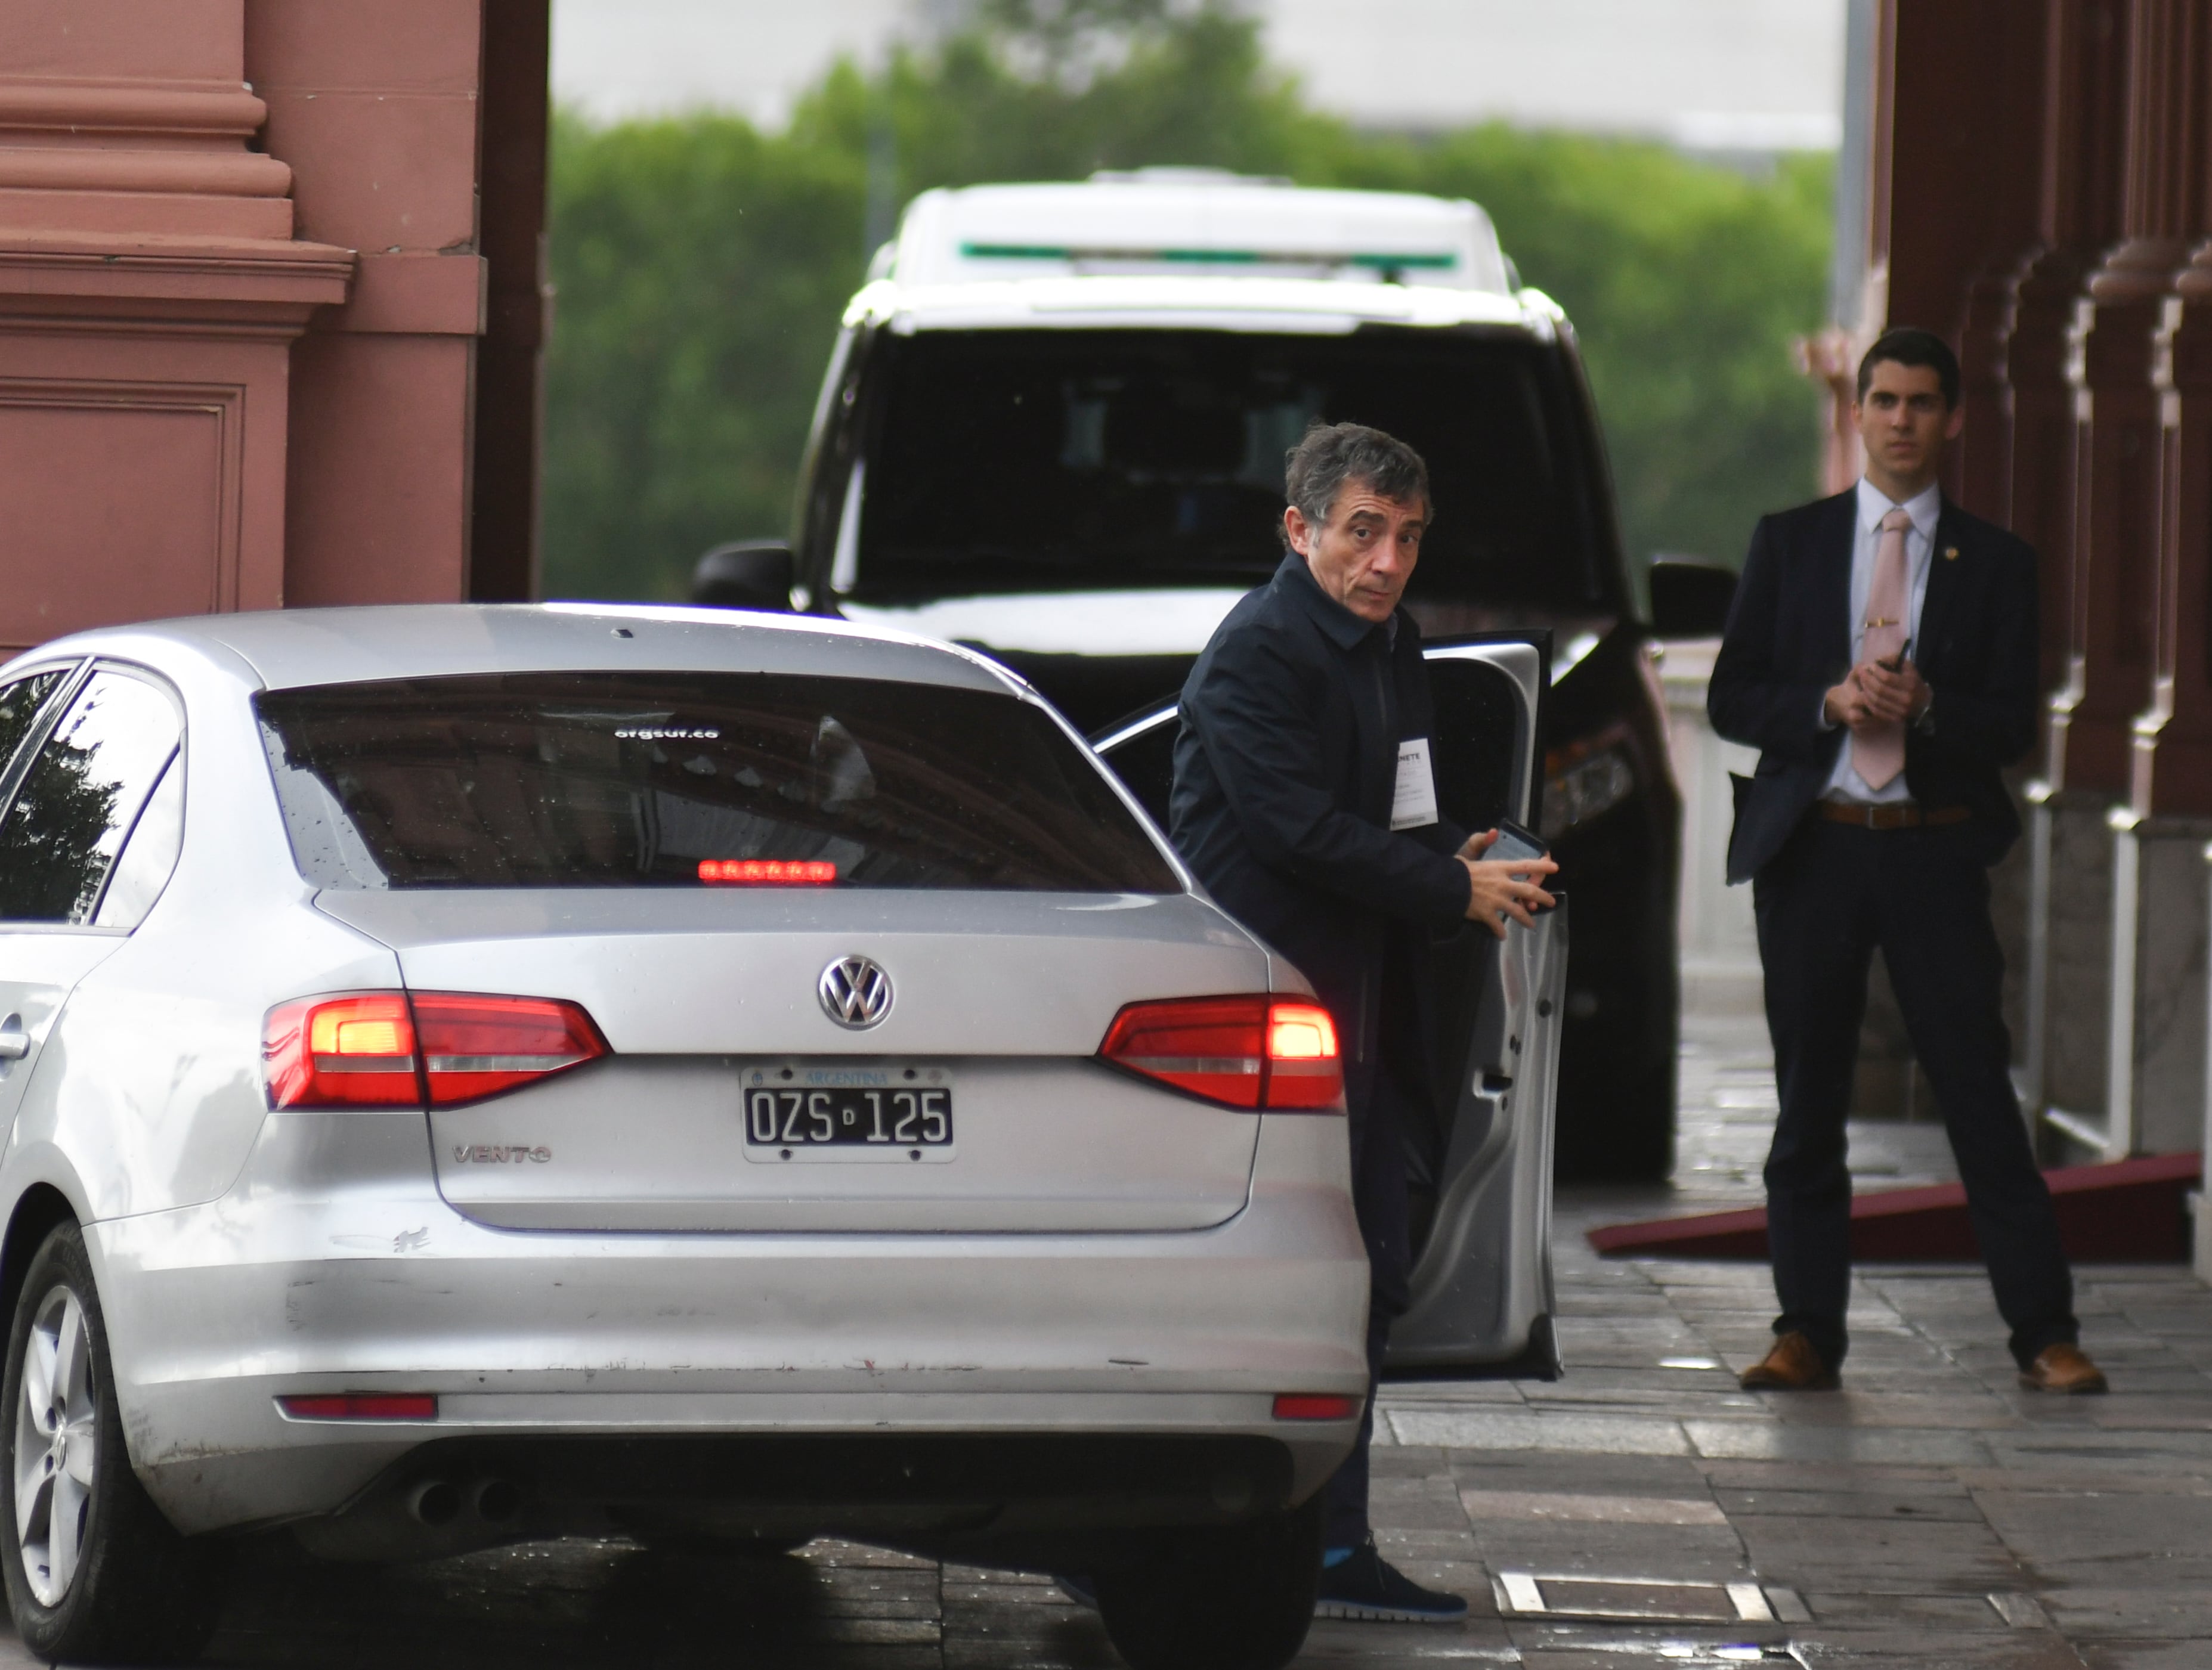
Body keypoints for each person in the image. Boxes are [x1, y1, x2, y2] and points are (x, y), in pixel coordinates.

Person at [1169, 422, 1558, 1622]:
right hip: (1261, 1032)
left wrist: (1459, 852)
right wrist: (1451, 888)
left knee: (1371, 1282)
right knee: (1268, 1298)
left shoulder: (1394, 649)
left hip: (1367, 1020)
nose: (1386, 561)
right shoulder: (1256, 653)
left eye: (1406, 538)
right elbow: (1292, 831)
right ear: (1298, 532)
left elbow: (1391, 818)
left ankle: (1338, 1549)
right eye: (1362, 533)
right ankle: (1195, 1544)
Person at [1707, 327, 2105, 1396]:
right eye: (1881, 399)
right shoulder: (1789, 542)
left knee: (1977, 1093)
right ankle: (1805, 1333)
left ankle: (2044, 1333)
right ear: (1856, 410)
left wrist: (1924, 708)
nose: (1898, 419)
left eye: (1921, 402)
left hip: (1931, 857)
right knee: (1806, 1106)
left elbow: (2009, 724)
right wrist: (1822, 704)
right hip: (1817, 850)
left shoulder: (1999, 561)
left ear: (1952, 418)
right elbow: (1730, 694)